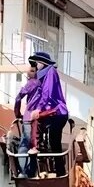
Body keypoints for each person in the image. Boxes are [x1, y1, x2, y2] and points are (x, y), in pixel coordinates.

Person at [27, 51, 69, 179]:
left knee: (53, 140)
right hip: (52, 113)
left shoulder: (50, 72)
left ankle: (58, 170)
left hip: (57, 112)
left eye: (36, 63)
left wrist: (38, 109)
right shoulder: (42, 77)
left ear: (41, 63)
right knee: (52, 141)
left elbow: (47, 93)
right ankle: (55, 169)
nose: (35, 66)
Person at [13, 55, 49, 178]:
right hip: (41, 119)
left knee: (24, 145)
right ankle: (32, 171)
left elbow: (18, 98)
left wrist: (17, 113)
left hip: (29, 118)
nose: (29, 72)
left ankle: (24, 172)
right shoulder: (45, 84)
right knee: (36, 145)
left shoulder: (32, 83)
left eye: (32, 70)